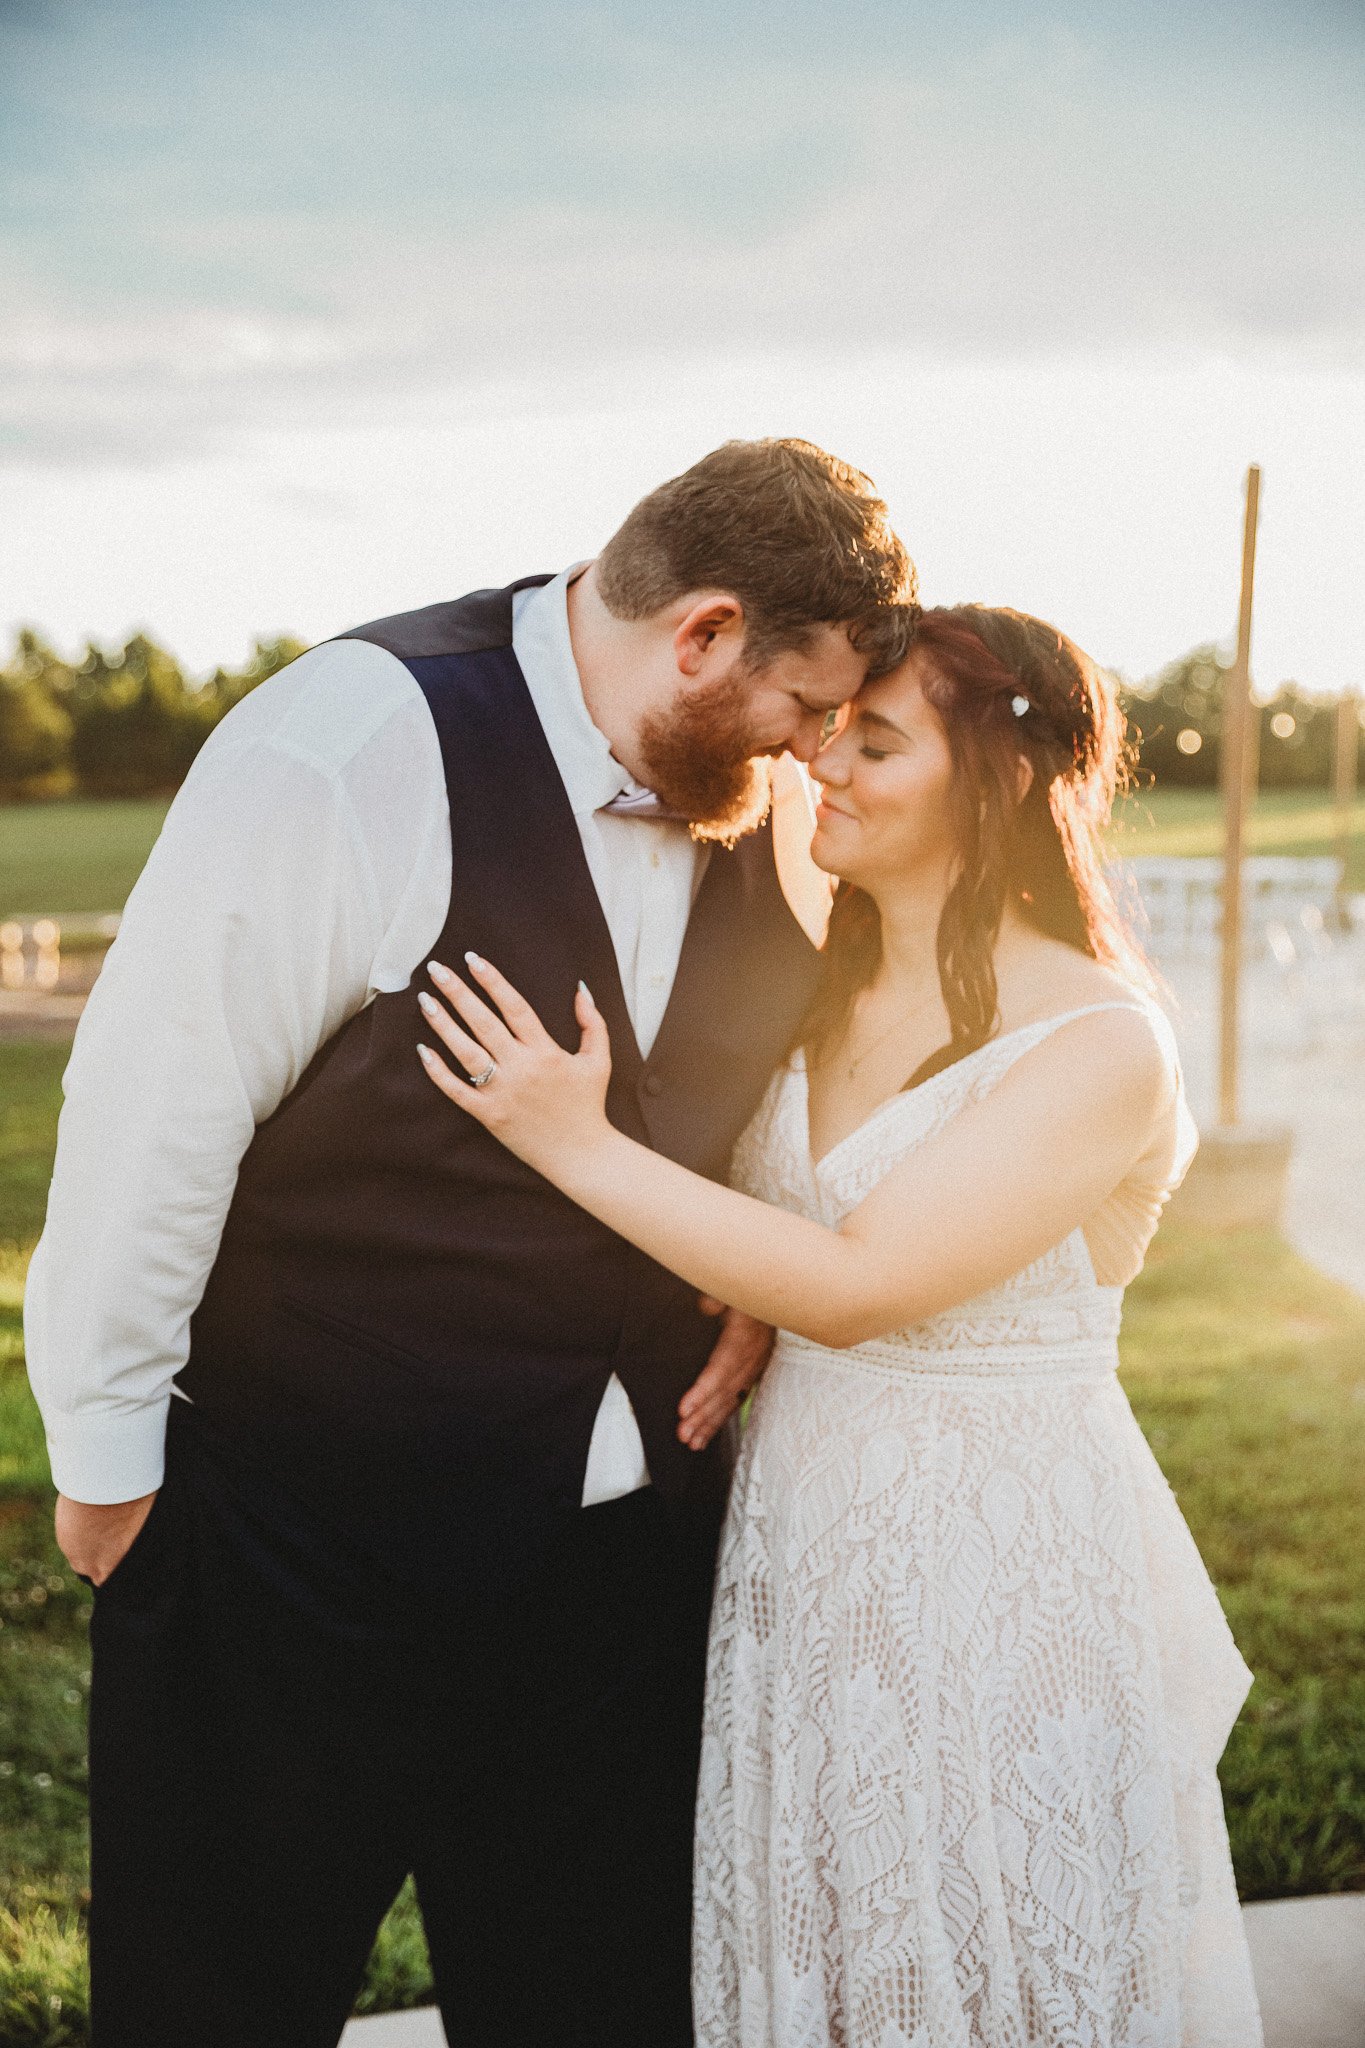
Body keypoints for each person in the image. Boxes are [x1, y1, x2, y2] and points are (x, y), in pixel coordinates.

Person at [24, 438, 916, 2047]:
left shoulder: (775, 818)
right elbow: (152, 1113)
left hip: (623, 1571)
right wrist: (110, 1480)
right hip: (297, 1555)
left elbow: (770, 1079)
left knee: (596, 2007)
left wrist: (755, 1259)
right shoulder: (346, 743)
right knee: (215, 2005)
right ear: (703, 634)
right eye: (798, 706)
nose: (810, 750)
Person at [415, 603, 1264, 2048]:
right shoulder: (817, 994)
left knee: (989, 1952)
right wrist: (753, 1289)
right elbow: (792, 1246)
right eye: (827, 740)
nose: (825, 771)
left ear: (997, 779)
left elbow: (863, 1284)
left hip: (997, 1581)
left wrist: (572, 1138)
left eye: (874, 744)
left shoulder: (1099, 1042)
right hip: (805, 1557)